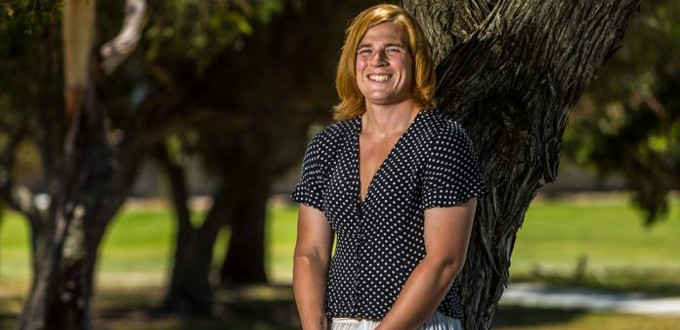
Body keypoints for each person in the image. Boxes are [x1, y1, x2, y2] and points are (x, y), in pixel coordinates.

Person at [291, 4, 487, 330]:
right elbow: (310, 253)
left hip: (420, 324)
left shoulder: (442, 140)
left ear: (415, 61)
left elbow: (444, 260)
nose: (376, 61)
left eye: (391, 50)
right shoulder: (328, 144)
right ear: (352, 64)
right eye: (365, 51)